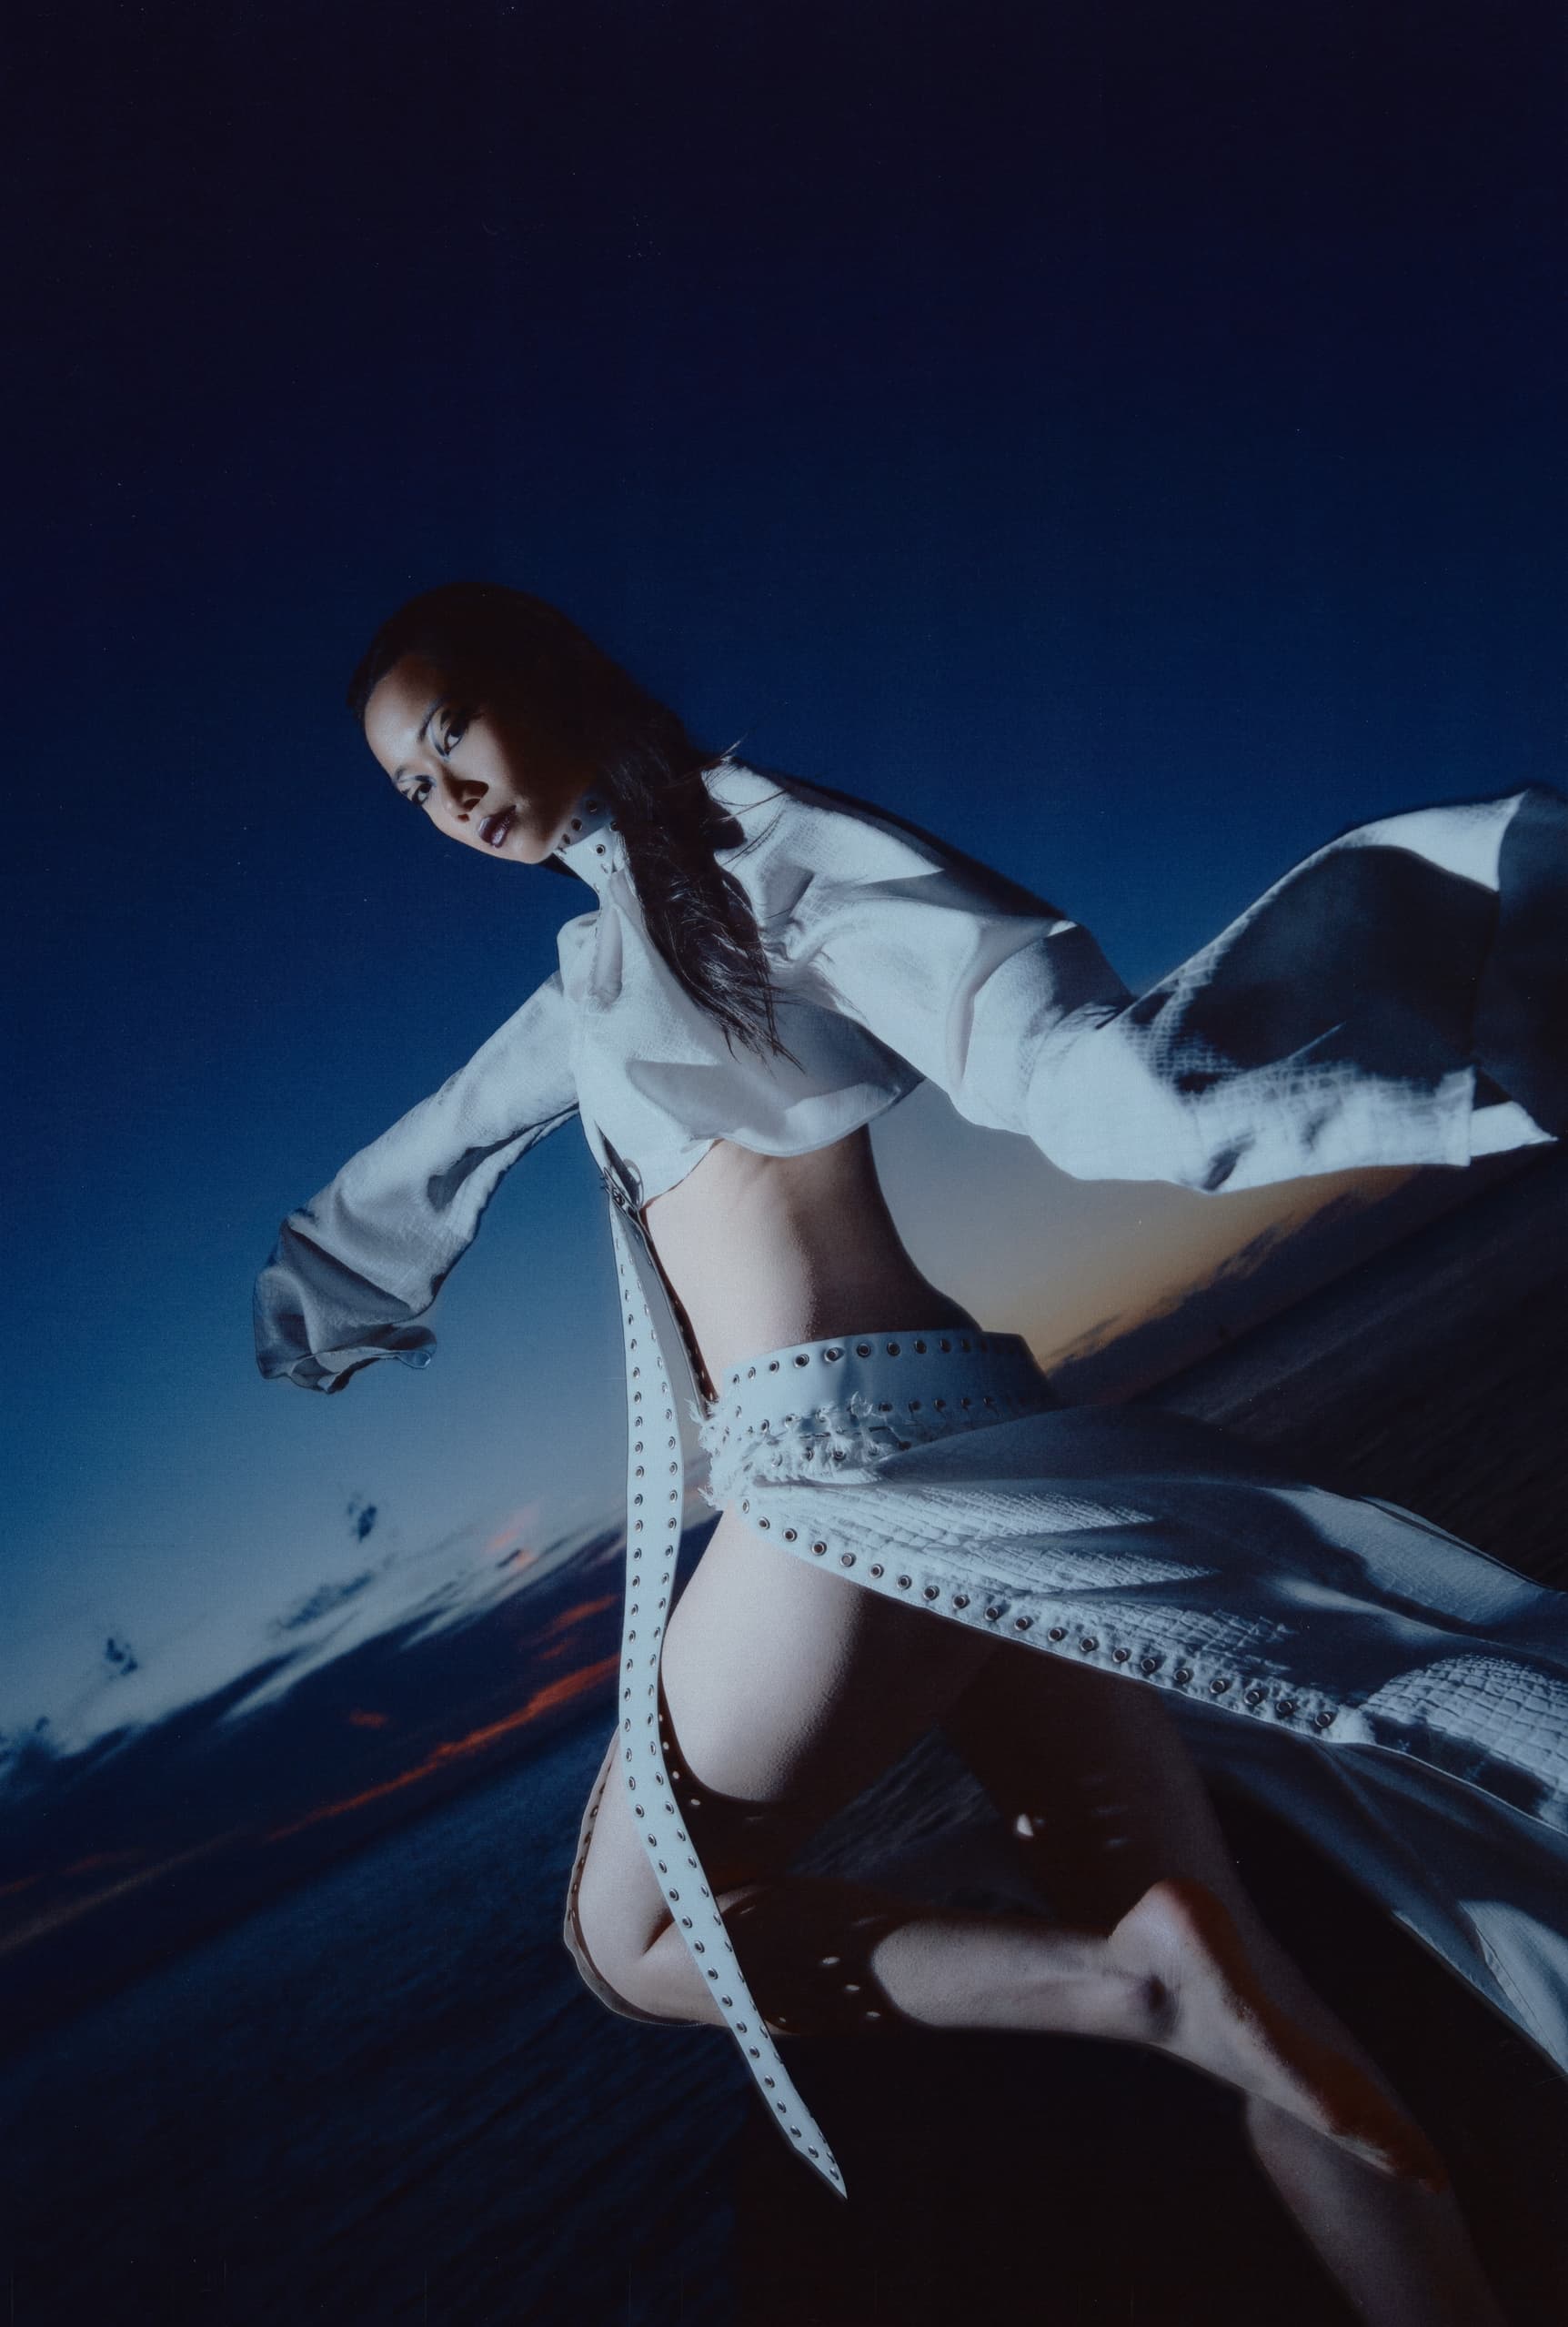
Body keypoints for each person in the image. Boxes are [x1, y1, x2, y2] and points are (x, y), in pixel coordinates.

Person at [256, 581, 1568, 2323]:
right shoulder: (593, 962)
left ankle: (1133, 1994)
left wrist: (1473, 1000)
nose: (449, 800)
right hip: (973, 1447)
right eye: (411, 790)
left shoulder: (765, 842)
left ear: (547, 675)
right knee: (1269, 2023)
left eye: (450, 738)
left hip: (843, 1472)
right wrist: (328, 1288)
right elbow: (452, 1129)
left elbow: (1059, 1055)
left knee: (630, 1944)